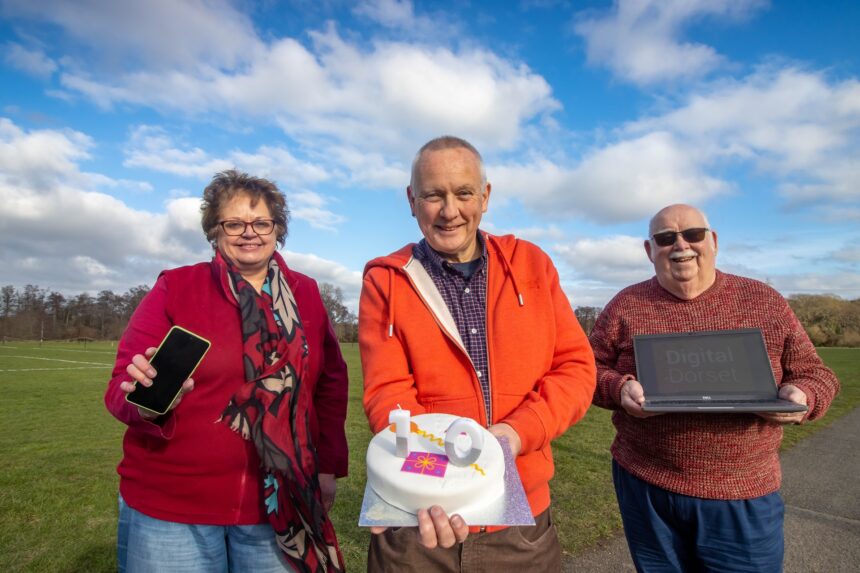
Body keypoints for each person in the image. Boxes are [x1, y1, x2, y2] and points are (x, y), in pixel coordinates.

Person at [359, 135, 597, 572]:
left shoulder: (532, 265)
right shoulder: (386, 280)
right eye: (433, 195)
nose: (450, 211)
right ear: (412, 200)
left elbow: (575, 369)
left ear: (484, 197)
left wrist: (516, 435)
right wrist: (434, 484)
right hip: (420, 526)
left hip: (520, 524)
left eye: (463, 193)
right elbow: (387, 391)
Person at [105, 170, 349, 572]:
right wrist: (144, 401)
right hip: (174, 509)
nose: (248, 233)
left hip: (279, 504)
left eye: (261, 223)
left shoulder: (306, 293)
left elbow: (329, 386)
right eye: (234, 223)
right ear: (214, 231)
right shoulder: (176, 287)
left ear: (278, 229)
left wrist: (327, 467)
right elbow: (119, 390)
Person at [590, 203, 840, 572]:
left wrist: (802, 395)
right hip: (645, 485)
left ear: (713, 241)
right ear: (649, 250)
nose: (681, 246)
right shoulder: (625, 305)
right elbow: (586, 370)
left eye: (693, 234)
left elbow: (816, 373)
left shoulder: (763, 301)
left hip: (742, 493)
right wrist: (617, 388)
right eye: (665, 238)